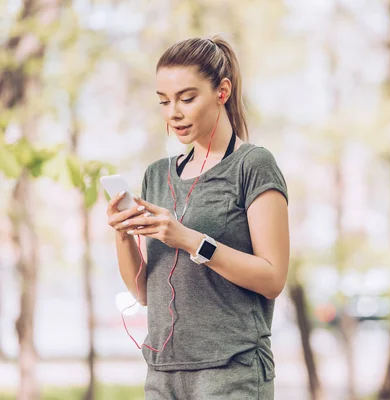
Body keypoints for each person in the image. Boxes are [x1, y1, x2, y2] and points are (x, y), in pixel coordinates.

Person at [105, 35, 289, 399]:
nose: (173, 112)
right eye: (164, 100)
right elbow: (144, 292)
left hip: (230, 372)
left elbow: (273, 278)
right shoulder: (157, 175)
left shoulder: (252, 166)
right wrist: (122, 233)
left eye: (187, 98)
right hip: (162, 374)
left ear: (222, 91)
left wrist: (188, 238)